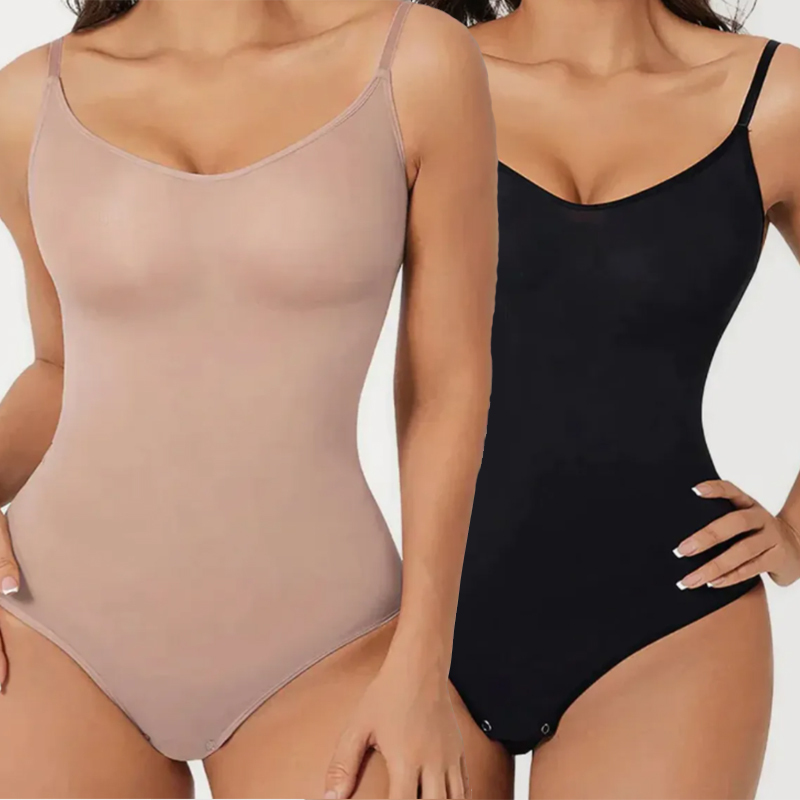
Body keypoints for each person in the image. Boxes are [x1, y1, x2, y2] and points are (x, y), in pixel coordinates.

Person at [0, 1, 497, 797]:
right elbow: (59, 368)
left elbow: (448, 385)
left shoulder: (414, 62)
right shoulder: (30, 98)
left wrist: (422, 660)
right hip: (52, 632)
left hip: (330, 642)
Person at [422, 0, 800, 797]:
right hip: (424, 621)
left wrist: (798, 527)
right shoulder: (419, 74)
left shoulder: (773, 96)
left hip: (673, 621)